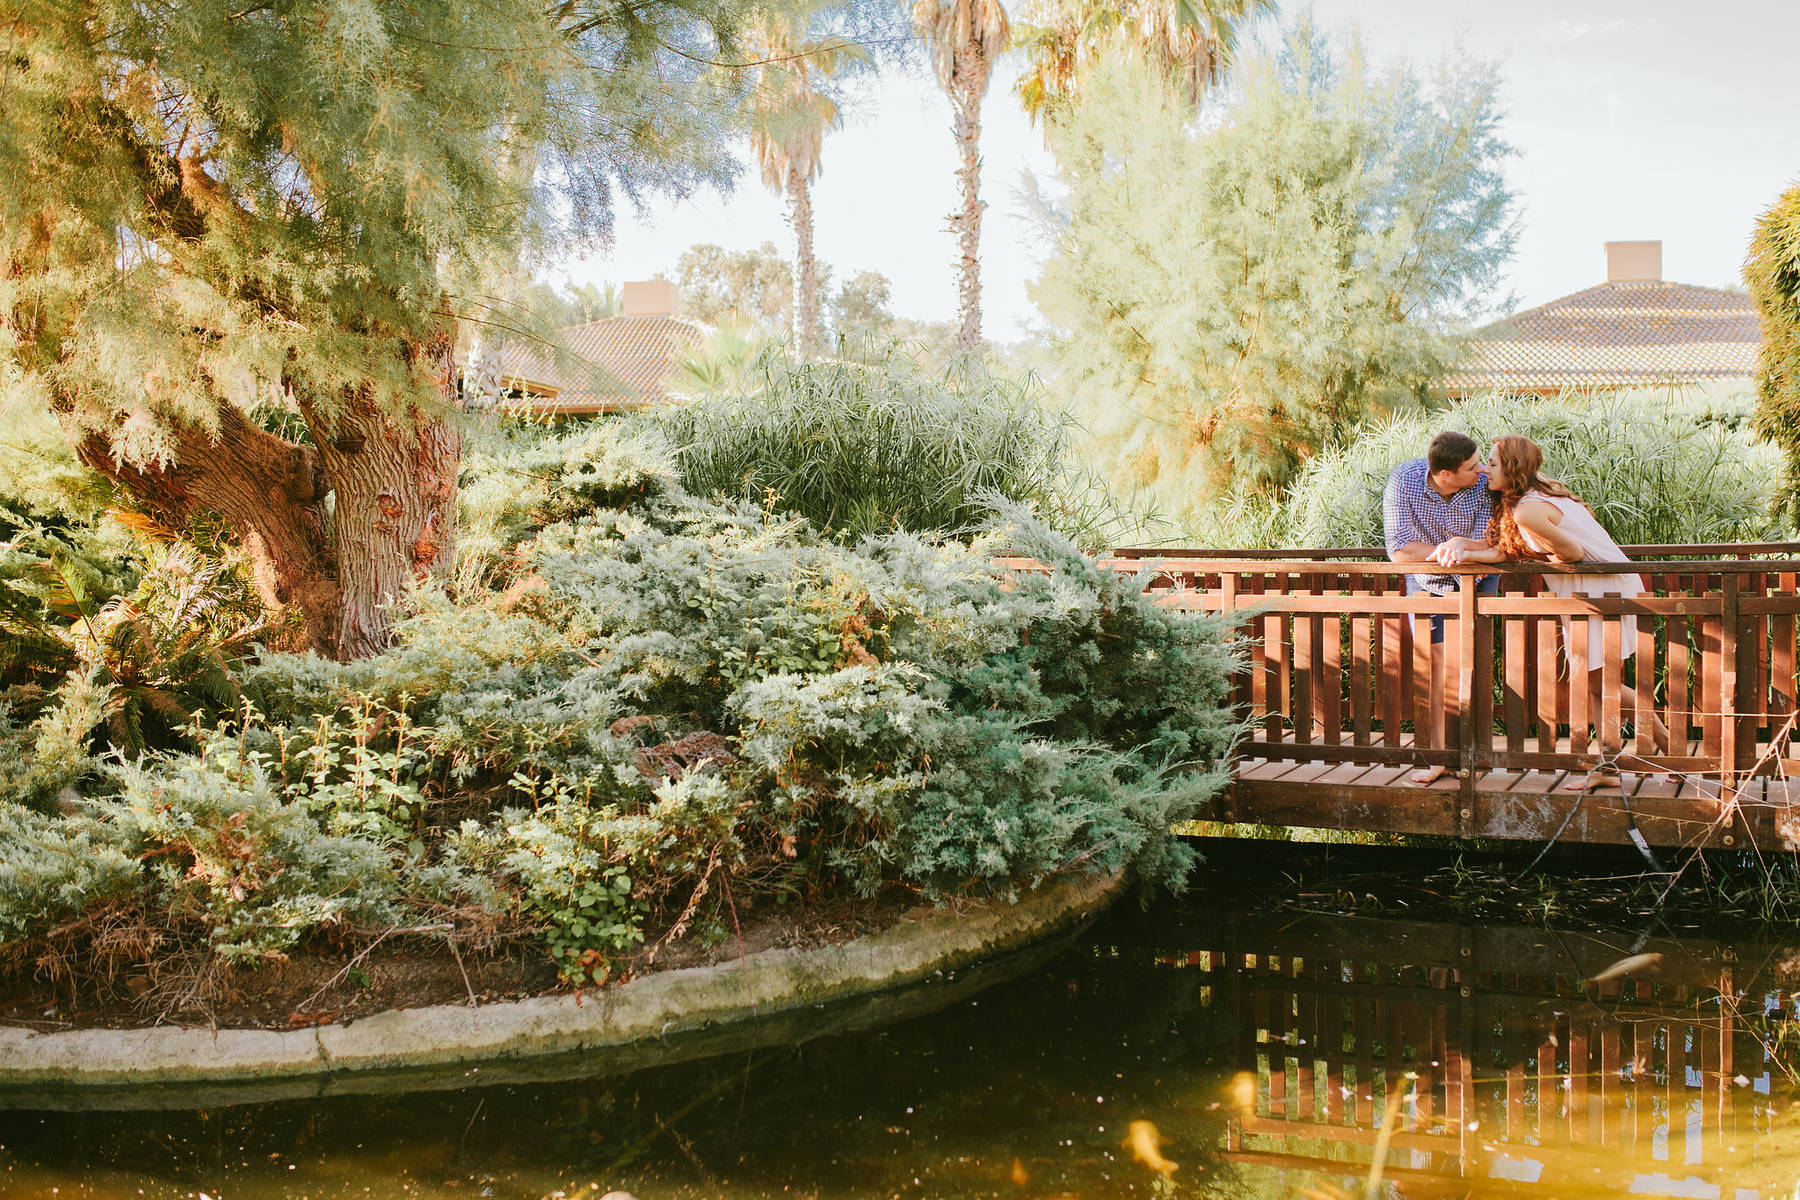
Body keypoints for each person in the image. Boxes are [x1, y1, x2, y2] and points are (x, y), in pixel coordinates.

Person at [1482, 434, 1670, 790]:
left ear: (1511, 468)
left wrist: (1542, 559)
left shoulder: (1527, 509)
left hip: (1599, 590)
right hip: (1599, 587)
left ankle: (1664, 744)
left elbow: (1570, 552)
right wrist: (1470, 553)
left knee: (1599, 681)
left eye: (1492, 463)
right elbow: (1510, 551)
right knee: (1598, 683)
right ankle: (1610, 765)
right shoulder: (1544, 493)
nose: (1485, 470)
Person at [1382, 431, 1504, 785]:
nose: (1481, 470)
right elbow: (1401, 550)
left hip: (1478, 578)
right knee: (1436, 668)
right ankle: (1438, 758)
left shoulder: (1484, 484)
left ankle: (1473, 756)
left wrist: (1461, 547)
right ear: (1446, 474)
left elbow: (1493, 539)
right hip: (1426, 582)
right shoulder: (1404, 481)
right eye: (1472, 466)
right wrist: (1449, 550)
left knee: (1472, 662)